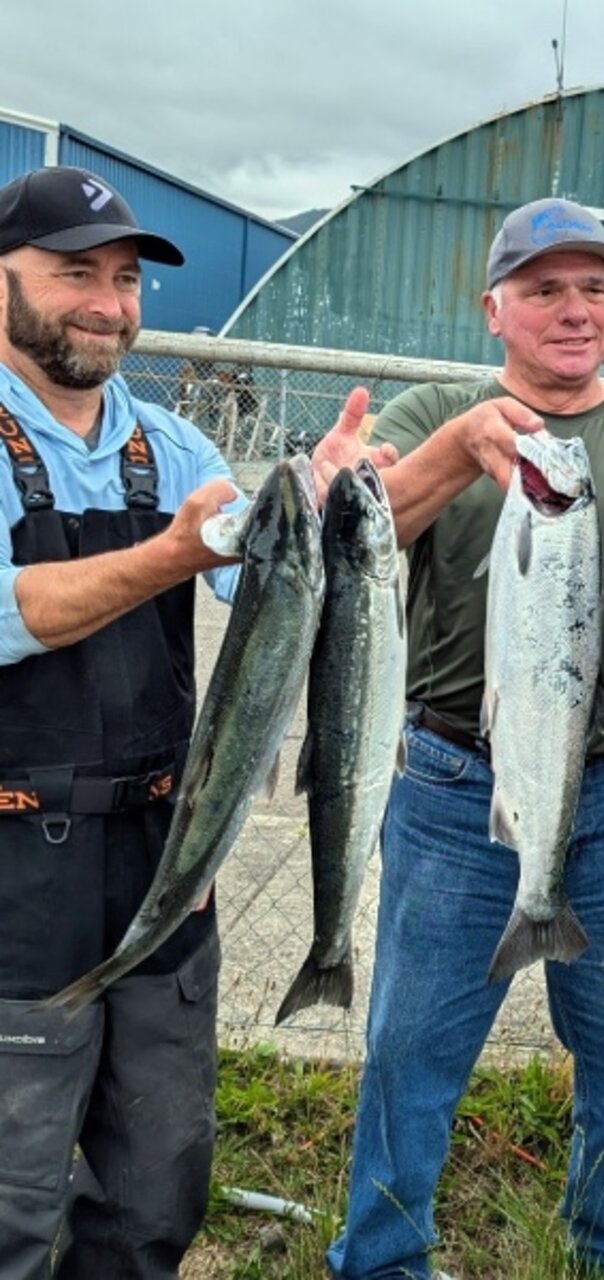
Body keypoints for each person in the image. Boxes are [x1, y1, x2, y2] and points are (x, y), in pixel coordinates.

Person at [313, 197, 604, 1280]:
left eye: (593, 287)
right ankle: (381, 1259)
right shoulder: (436, 406)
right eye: (543, 289)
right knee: (411, 1045)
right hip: (455, 785)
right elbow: (358, 529)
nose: (574, 309)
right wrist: (449, 445)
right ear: (494, 308)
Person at [0, 166, 242, 1279]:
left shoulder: (172, 448)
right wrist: (173, 554)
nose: (107, 301)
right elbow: (16, 613)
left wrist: (369, 489)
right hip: (14, 868)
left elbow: (273, 573)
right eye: (74, 273)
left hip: (158, 855)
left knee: (156, 1180)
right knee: (13, 1189)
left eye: (126, 278)